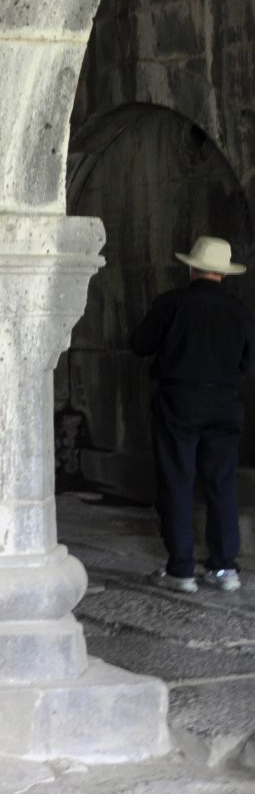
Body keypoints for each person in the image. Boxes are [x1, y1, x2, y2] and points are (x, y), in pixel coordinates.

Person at [129, 235, 255, 594]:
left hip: (179, 401)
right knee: (221, 484)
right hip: (224, 404)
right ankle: (224, 568)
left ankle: (181, 569)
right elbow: (248, 363)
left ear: (192, 267)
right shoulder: (241, 313)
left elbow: (140, 345)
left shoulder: (172, 304)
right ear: (224, 274)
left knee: (177, 481)